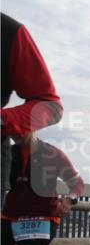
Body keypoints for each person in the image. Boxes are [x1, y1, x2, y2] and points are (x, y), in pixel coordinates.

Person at [2, 14, 64, 201]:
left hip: (42, 218)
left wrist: (5, 120)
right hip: (15, 215)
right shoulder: (15, 154)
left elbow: (49, 104)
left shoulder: (8, 32)